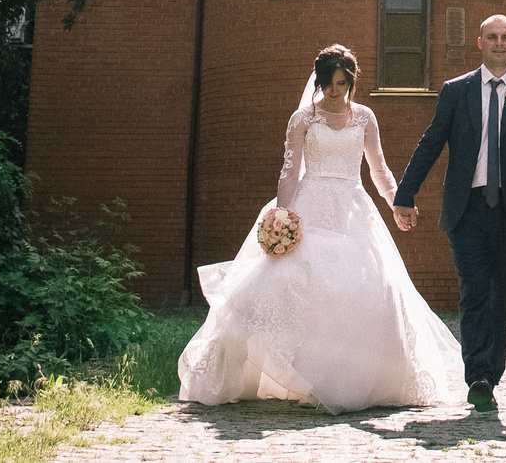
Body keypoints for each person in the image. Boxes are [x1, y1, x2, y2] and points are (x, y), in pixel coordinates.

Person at [178, 44, 467, 412]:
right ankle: (305, 377)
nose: (336, 90)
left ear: (351, 82)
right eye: (330, 83)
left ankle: (348, 380)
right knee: (289, 283)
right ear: (319, 81)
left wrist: (398, 202)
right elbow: (290, 171)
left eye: (343, 83)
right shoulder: (303, 120)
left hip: (352, 209)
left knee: (364, 288)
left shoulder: (365, 117)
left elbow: (378, 169)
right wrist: (282, 215)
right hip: (309, 206)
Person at [390, 15, 506, 413]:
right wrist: (405, 193)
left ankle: (491, 373)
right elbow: (432, 142)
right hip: (466, 209)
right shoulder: (457, 91)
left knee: (499, 293)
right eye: (492, 37)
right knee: (474, 290)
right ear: (480, 43)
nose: (499, 43)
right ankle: (479, 376)